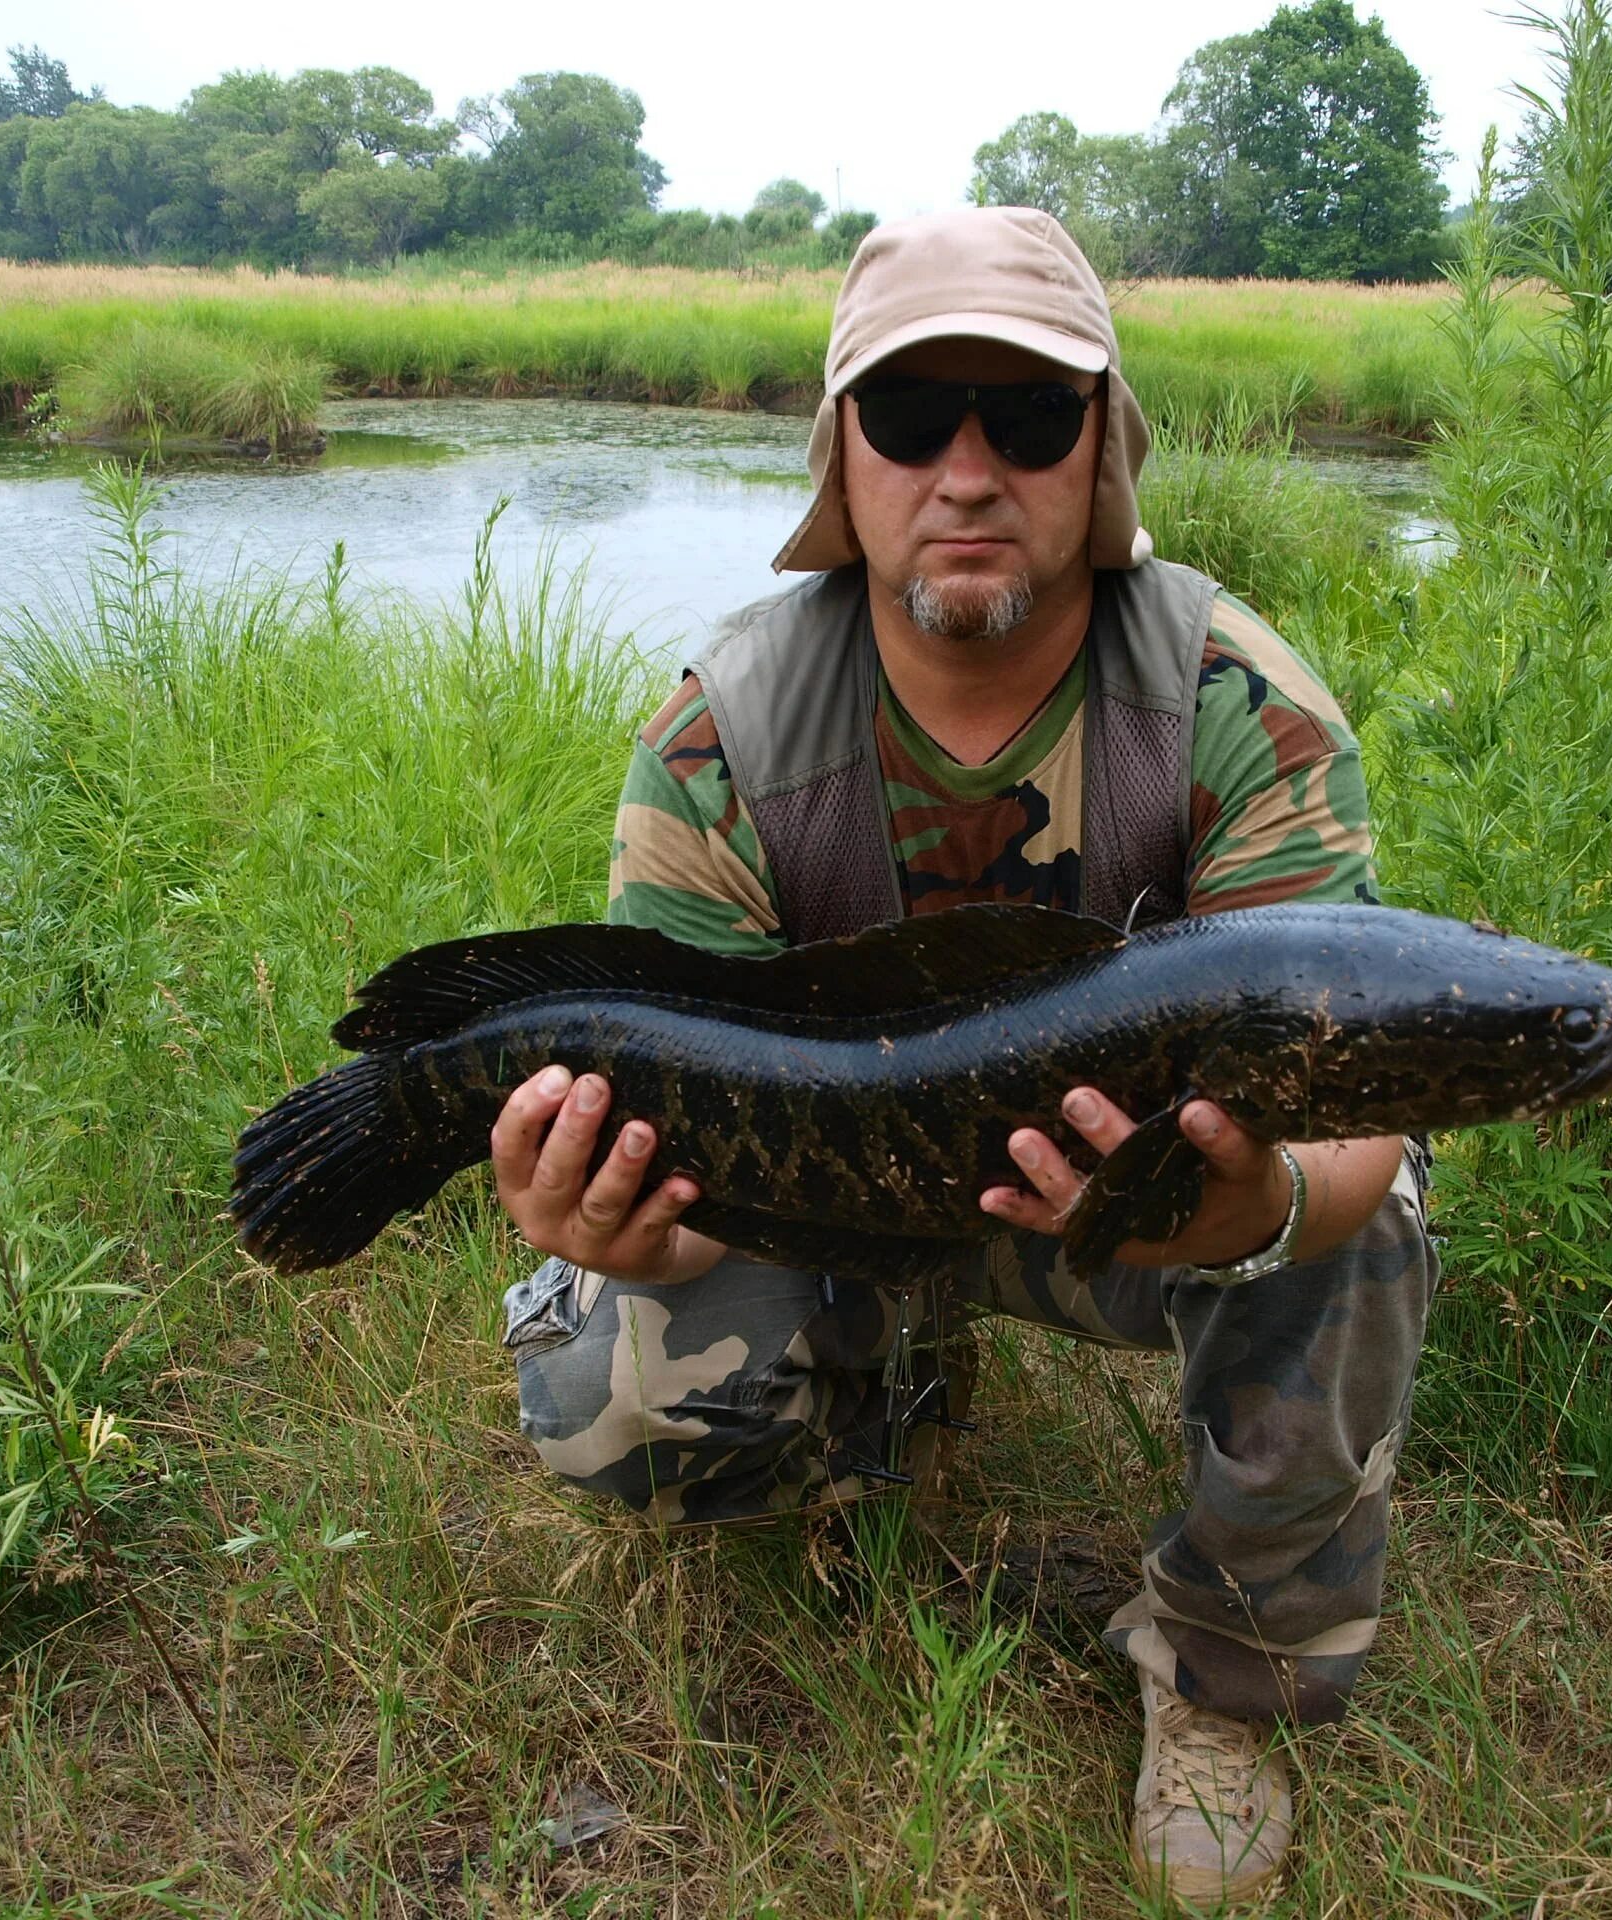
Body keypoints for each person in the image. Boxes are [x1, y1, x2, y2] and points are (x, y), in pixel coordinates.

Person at [489, 207, 1438, 1907]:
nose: (971, 469)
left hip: (1148, 1198)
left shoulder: (1238, 695)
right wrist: (637, 1221)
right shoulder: (724, 731)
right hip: (836, 1183)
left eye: (1030, 415)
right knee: (607, 1404)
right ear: (839, 458)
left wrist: (1235, 1210)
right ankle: (882, 1414)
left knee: (1348, 1225)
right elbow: (694, 1150)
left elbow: (1358, 1121)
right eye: (914, 418)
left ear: (1108, 449)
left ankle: (1228, 1672)